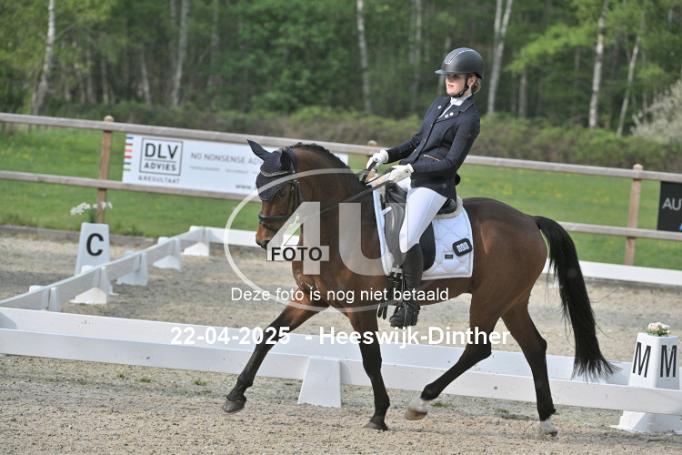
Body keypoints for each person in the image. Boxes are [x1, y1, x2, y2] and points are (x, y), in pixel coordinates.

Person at [366, 47, 483, 328]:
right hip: (410, 173)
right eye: (447, 76)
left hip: (435, 185)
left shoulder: (469, 118)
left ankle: (410, 304)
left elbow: (451, 163)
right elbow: (417, 141)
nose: (449, 81)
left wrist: (411, 169)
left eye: (455, 77)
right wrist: (387, 155)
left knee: (407, 238)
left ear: (471, 80)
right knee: (370, 206)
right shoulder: (440, 103)